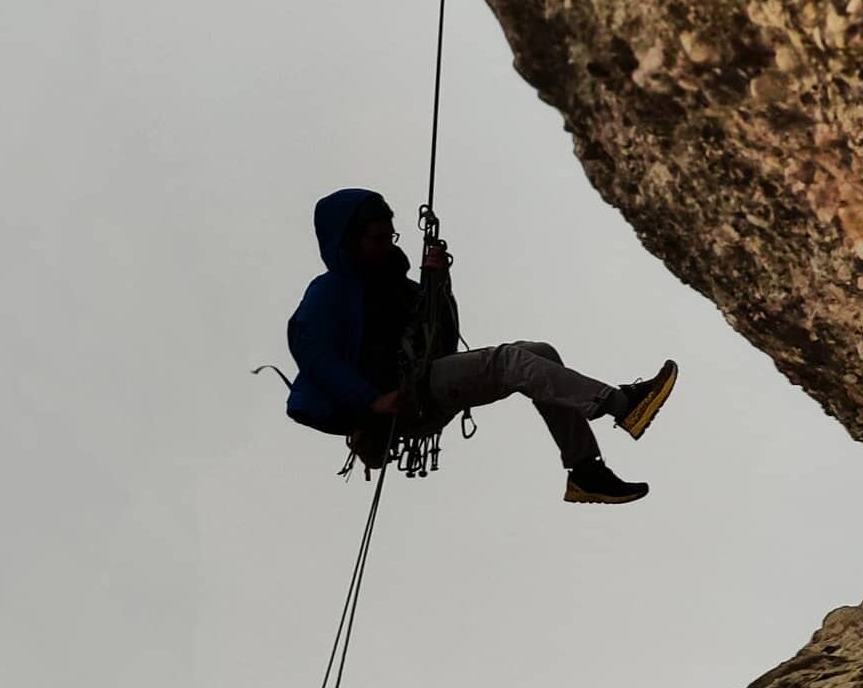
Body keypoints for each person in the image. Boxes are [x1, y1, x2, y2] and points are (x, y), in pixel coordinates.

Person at [284, 188, 677, 503]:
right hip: (401, 398)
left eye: (391, 236)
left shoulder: (398, 287)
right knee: (509, 363)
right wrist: (371, 401)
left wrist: (438, 282)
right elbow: (314, 355)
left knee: (540, 352)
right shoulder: (329, 291)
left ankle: (586, 470)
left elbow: (441, 338)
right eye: (377, 238)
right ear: (348, 243)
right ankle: (622, 405)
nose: (387, 245)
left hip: (419, 385)